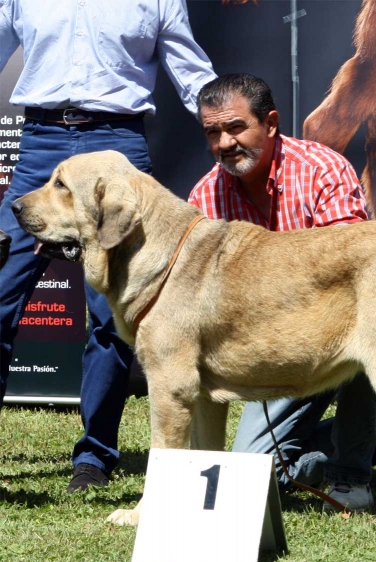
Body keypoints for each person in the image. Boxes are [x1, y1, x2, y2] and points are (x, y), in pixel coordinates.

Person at [0, 0, 216, 491]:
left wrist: (229, 120)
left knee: (114, 316)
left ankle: (94, 457)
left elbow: (190, 70)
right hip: (40, 143)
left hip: (118, 148)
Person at [188, 74, 376, 511]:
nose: (224, 143)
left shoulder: (322, 169)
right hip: (271, 349)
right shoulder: (205, 197)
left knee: (367, 326)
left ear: (270, 123)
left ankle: (351, 475)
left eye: (236, 127)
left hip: (336, 329)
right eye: (212, 132)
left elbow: (355, 275)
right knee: (252, 473)